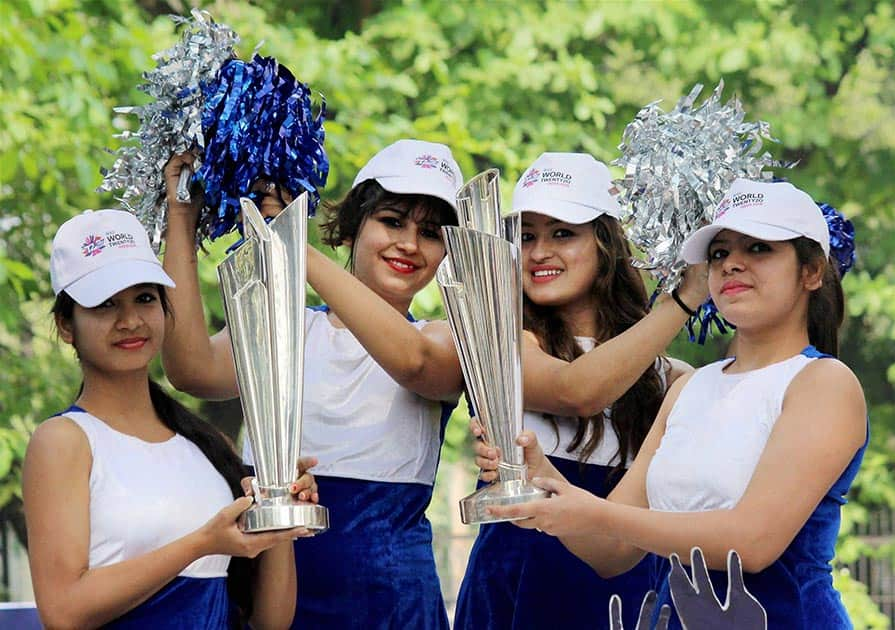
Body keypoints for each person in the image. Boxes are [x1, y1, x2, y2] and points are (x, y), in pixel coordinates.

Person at [487, 179, 867, 630]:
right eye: (720, 253)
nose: (732, 265)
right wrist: (543, 480)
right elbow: (611, 552)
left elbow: (751, 542)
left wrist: (593, 512)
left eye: (760, 248)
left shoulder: (824, 382)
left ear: (812, 272)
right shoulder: (689, 387)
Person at [160, 139, 466, 629]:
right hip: (269, 592)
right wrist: (182, 214)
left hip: (391, 608)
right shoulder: (285, 325)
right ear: (351, 228)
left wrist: (288, 243)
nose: (409, 243)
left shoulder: (441, 336)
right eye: (391, 221)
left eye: (430, 233)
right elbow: (190, 369)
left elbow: (413, 364)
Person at [24, 209, 317, 629]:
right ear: (66, 325)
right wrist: (200, 543)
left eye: (145, 298)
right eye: (105, 305)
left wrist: (281, 510)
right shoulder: (64, 441)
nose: (130, 321)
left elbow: (270, 619)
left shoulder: (207, 444)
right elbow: (63, 612)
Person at [453, 152, 706, 630]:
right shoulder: (502, 340)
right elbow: (577, 391)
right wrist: (686, 298)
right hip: (515, 595)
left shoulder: (671, 378)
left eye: (562, 233)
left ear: (606, 244)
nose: (539, 251)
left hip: (622, 594)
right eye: (526, 236)